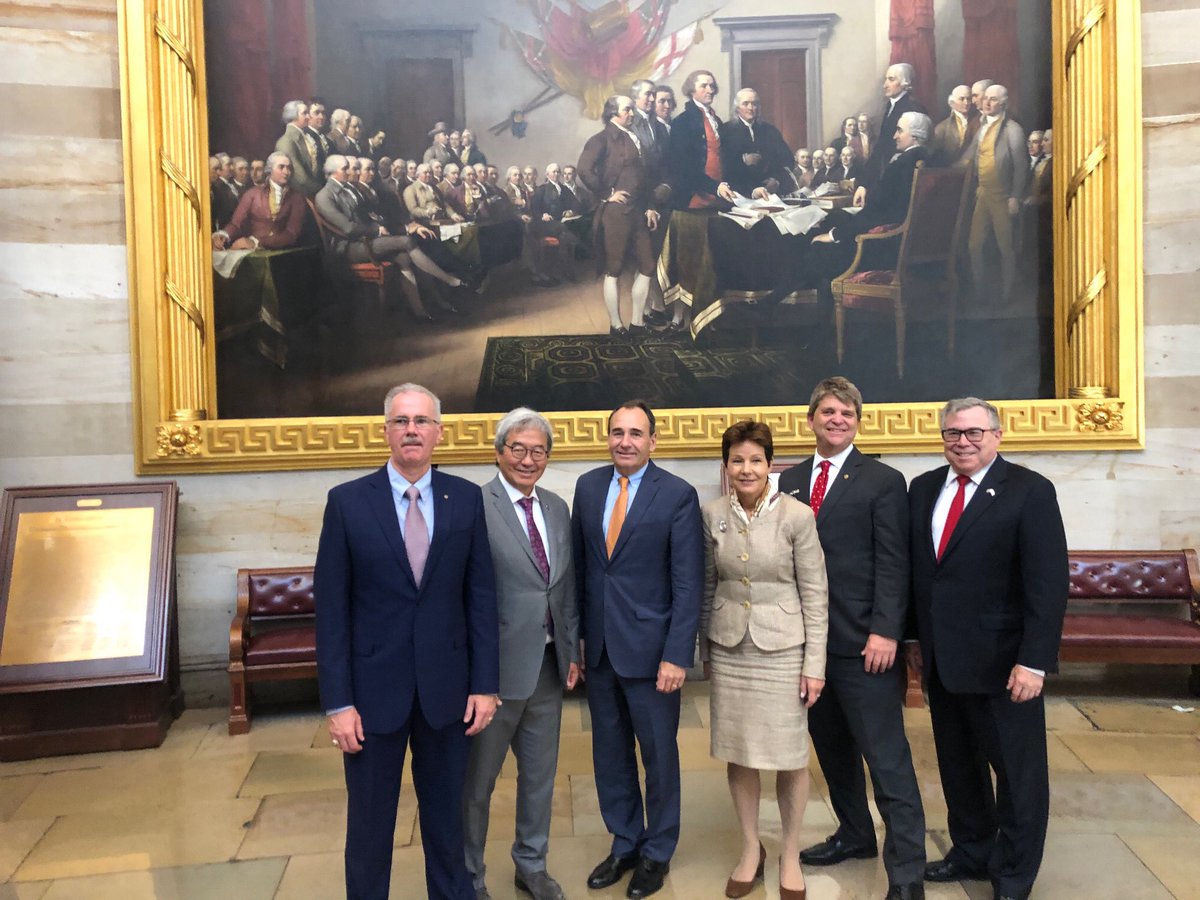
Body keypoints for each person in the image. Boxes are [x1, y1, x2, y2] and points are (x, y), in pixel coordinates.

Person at [315, 383, 500, 900]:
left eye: (421, 421)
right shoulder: (348, 503)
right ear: (386, 432)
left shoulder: (464, 500)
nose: (412, 430)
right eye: (401, 421)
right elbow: (331, 612)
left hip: (447, 692)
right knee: (370, 827)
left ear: (439, 433)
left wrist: (486, 685)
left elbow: (480, 597)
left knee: (446, 823)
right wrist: (338, 702)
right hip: (373, 696)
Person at [909, 398, 1068, 900]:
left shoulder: (1029, 491)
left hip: (1005, 664)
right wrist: (914, 638)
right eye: (953, 433)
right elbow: (920, 575)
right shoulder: (924, 488)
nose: (963, 442)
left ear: (997, 435)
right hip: (943, 662)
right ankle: (971, 851)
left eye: (975, 432)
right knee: (959, 768)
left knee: (1018, 777)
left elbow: (1048, 584)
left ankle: (1014, 874)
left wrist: (1034, 660)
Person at [779, 378, 926, 900]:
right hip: (807, 651)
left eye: (846, 412)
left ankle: (907, 872)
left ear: (857, 421)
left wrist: (888, 631)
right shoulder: (790, 480)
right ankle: (855, 834)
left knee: (887, 761)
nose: (837, 419)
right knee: (833, 753)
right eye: (827, 411)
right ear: (811, 418)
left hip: (866, 647)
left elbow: (894, 562)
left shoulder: (884, 481)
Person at [571, 399, 703, 899]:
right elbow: (584, 571)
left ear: (653, 440)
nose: (625, 441)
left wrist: (676, 655)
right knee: (609, 753)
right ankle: (625, 840)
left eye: (635, 433)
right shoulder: (587, 487)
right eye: (617, 432)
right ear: (607, 437)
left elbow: (688, 584)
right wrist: (579, 639)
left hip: (652, 654)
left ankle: (657, 851)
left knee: (659, 756)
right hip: (601, 649)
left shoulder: (677, 495)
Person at [700, 420, 828, 900]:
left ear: (770, 465)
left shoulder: (798, 515)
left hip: (783, 650)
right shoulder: (712, 513)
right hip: (731, 646)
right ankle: (751, 849)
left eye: (756, 459)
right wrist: (704, 647)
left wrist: (814, 664)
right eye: (737, 460)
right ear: (726, 466)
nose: (746, 468)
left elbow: (816, 593)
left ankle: (790, 852)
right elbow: (708, 583)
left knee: (790, 754)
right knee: (740, 750)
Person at [463, 408, 580, 900]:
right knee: (476, 787)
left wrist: (572, 649)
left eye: (538, 451)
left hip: (549, 670)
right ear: (499, 452)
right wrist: (475, 678)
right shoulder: (473, 506)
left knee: (539, 779)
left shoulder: (556, 507)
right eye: (518, 449)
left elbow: (565, 587)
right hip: (493, 676)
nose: (528, 460)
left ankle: (530, 864)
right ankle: (468, 876)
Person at [576, 95, 662, 335]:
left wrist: (650, 206)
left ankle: (637, 322)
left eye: (633, 109)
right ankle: (616, 324)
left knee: (647, 265)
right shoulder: (601, 139)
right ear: (613, 113)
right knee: (614, 268)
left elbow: (643, 179)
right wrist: (606, 194)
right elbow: (584, 170)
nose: (632, 113)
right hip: (615, 213)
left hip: (638, 211)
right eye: (628, 110)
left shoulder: (634, 137)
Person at [966, 84, 1027, 304]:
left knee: (1006, 248)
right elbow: (968, 158)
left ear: (1002, 103)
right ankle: (980, 294)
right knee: (974, 245)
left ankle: (1006, 295)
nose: (986, 103)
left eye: (992, 99)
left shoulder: (1013, 129)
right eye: (986, 99)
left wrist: (1015, 196)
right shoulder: (981, 129)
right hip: (983, 194)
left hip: (1003, 195)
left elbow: (1021, 165)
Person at [211, 152, 309, 251]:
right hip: (254, 254)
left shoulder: (297, 198)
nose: (286, 172)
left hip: (285, 254)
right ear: (270, 170)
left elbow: (292, 234)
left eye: (289, 168)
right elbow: (236, 224)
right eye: (281, 167)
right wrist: (224, 234)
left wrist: (256, 241)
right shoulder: (252, 194)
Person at [719, 88, 795, 199]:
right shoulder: (726, 130)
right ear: (737, 108)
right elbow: (722, 164)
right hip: (739, 194)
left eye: (754, 104)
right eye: (745, 104)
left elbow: (788, 160)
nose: (750, 108)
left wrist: (777, 180)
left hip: (768, 194)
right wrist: (742, 161)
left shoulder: (770, 131)